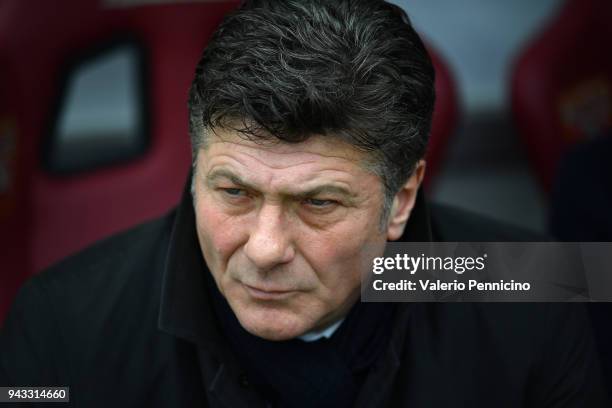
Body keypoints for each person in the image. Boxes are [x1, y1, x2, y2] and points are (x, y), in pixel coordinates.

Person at [0, 0, 608, 406]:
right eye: (234, 192)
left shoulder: (537, 288)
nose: (264, 249)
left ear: (399, 200)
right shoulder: (63, 326)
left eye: (317, 203)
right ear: (194, 171)